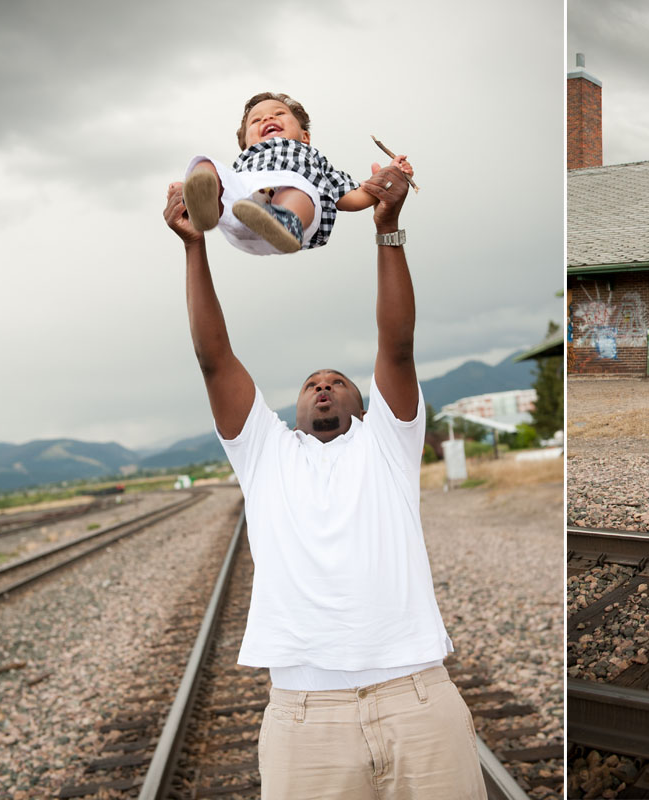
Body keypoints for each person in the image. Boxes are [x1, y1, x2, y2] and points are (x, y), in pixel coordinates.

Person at [163, 157, 488, 798]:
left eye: (336, 383)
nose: (322, 388)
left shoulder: (388, 444)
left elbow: (396, 346)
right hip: (303, 714)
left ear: (361, 405)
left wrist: (387, 231)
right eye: (312, 384)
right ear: (292, 408)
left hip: (416, 695)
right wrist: (194, 248)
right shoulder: (264, 452)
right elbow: (213, 360)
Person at [183, 91, 412, 255]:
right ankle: (206, 206)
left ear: (305, 137)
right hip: (242, 214)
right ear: (245, 145)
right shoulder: (243, 165)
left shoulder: (312, 160)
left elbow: (352, 197)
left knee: (297, 189)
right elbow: (231, 183)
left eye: (279, 113)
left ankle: (284, 220)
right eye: (256, 120)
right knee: (206, 165)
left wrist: (391, 176)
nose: (267, 118)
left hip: (293, 226)